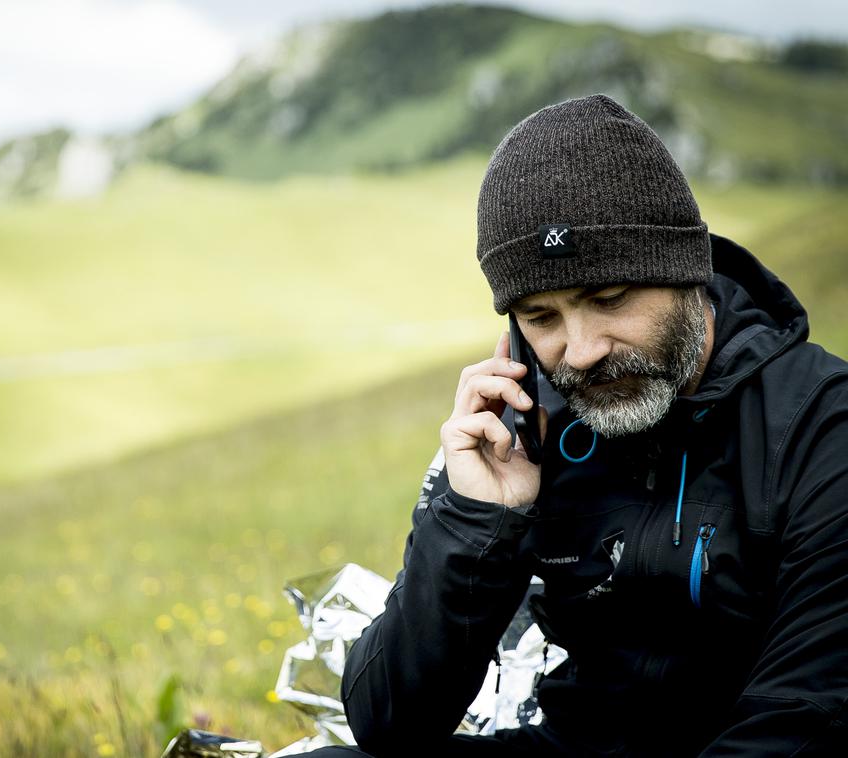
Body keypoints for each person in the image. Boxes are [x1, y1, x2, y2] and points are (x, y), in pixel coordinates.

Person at [299, 94, 848, 756]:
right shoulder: (523, 428)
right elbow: (389, 723)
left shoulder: (823, 428)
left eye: (609, 299)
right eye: (541, 316)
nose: (581, 351)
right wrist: (478, 519)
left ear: (685, 273)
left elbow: (802, 722)